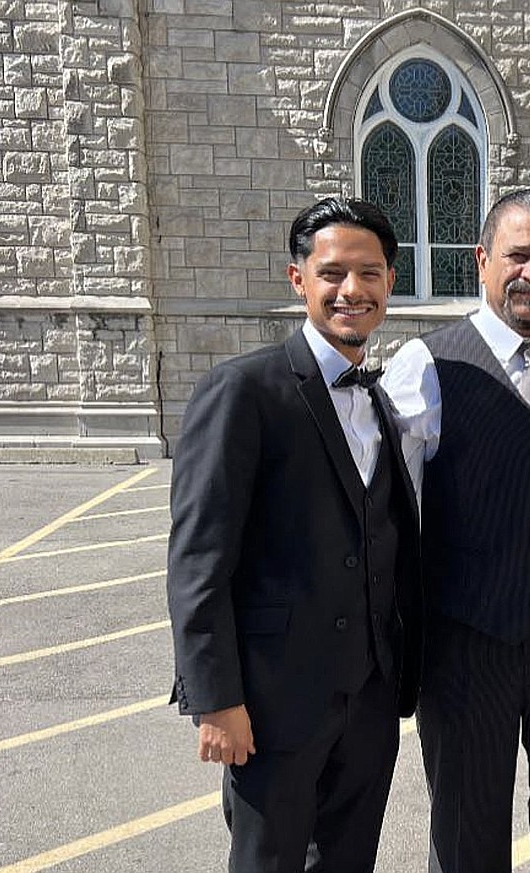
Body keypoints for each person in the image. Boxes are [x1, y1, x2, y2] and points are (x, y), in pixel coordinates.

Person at [166, 198, 423, 873]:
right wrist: (216, 700)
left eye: (370, 273)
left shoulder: (380, 396)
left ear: (390, 282)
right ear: (298, 278)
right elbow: (199, 560)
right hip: (274, 702)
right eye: (332, 272)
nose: (352, 290)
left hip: (368, 700)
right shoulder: (243, 390)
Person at [381, 188, 530, 873]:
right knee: (466, 837)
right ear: (483, 261)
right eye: (518, 253)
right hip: (465, 647)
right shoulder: (425, 367)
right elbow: (379, 509)